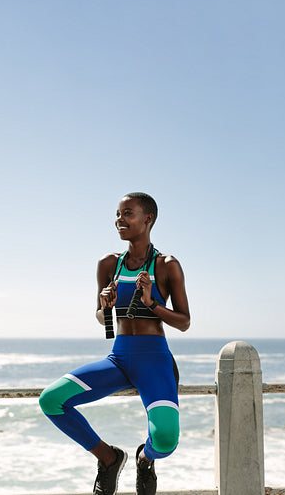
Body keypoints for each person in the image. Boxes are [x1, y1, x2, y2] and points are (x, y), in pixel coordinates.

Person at [39, 192, 190, 495]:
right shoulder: (109, 263)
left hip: (155, 359)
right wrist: (104, 306)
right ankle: (108, 458)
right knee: (51, 400)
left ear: (148, 219)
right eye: (118, 215)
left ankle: (144, 459)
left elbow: (184, 321)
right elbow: (100, 317)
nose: (119, 220)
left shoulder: (167, 264)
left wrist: (151, 303)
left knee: (165, 440)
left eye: (128, 214)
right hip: (118, 359)